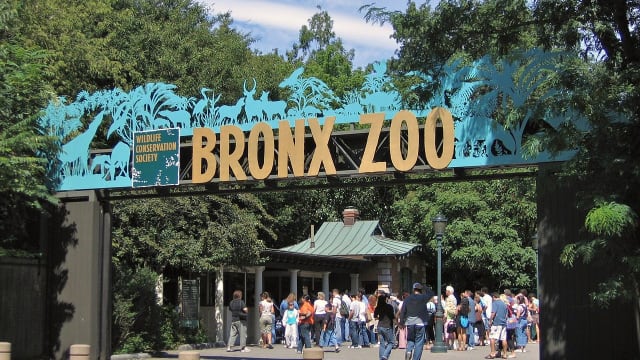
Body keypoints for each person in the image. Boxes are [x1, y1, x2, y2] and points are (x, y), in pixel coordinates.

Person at [398, 282, 436, 360]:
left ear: (413, 289)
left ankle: (409, 351)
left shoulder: (407, 298)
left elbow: (403, 311)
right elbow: (432, 293)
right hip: (420, 323)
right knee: (419, 343)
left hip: (410, 323)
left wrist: (401, 322)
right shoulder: (423, 297)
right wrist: (424, 287)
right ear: (420, 290)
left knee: (410, 340)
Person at [486, 292, 509, 359]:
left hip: (496, 323)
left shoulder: (495, 303)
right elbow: (506, 315)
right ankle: (504, 354)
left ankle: (492, 353)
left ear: (493, 297)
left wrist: (490, 321)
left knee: (492, 337)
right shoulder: (504, 304)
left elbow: (493, 313)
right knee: (503, 339)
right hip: (503, 323)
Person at [374, 293, 395, 360]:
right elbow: (392, 317)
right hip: (387, 326)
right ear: (385, 300)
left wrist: (379, 318)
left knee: (382, 344)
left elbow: (375, 316)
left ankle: (381, 358)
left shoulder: (378, 307)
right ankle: (384, 356)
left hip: (380, 326)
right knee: (391, 342)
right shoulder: (389, 307)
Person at [444, 285, 458, 350]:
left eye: (446, 291)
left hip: (448, 317)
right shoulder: (454, 298)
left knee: (447, 331)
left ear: (449, 291)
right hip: (453, 316)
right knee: (452, 331)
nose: (445, 292)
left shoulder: (449, 298)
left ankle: (447, 344)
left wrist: (445, 316)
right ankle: (453, 344)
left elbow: (447, 308)